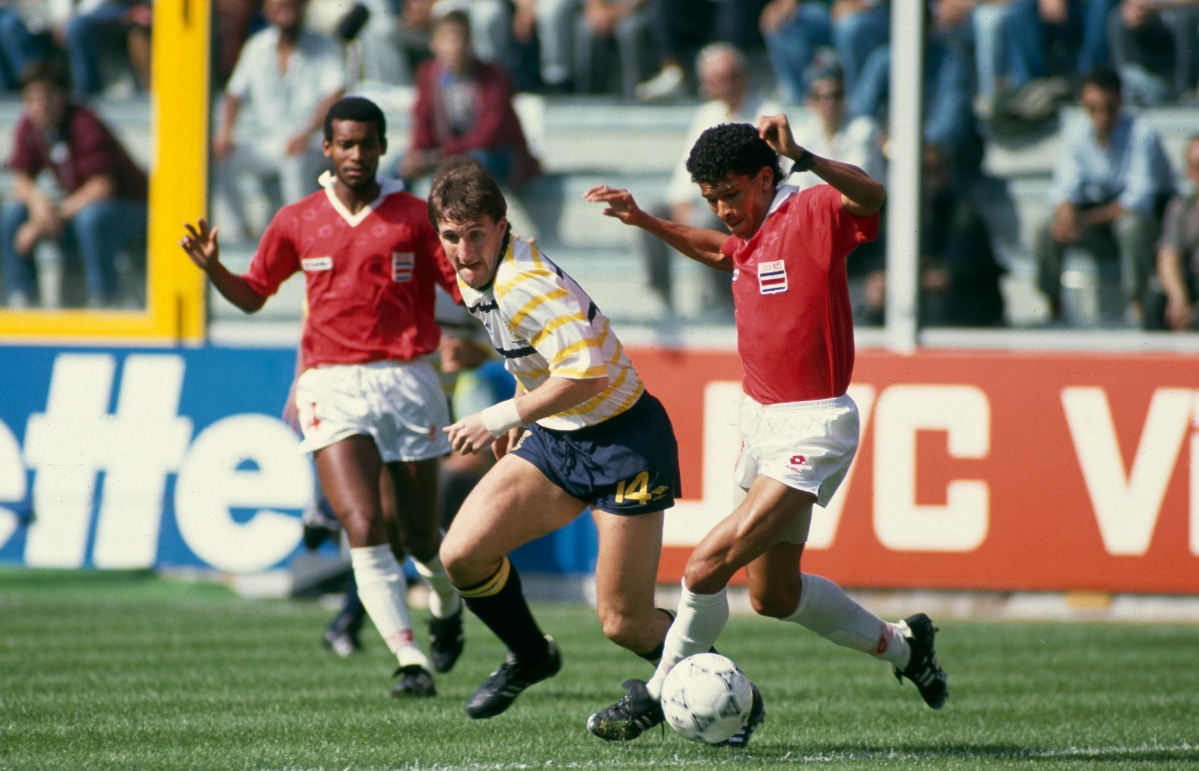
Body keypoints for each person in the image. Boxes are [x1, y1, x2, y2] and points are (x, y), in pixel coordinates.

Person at [581, 117, 949, 744]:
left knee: (704, 567)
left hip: (813, 428)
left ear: (764, 176)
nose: (724, 210)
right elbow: (712, 249)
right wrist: (644, 220)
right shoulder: (746, 236)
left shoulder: (809, 210)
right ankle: (907, 649)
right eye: (712, 199)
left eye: (731, 193)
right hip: (761, 424)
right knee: (774, 596)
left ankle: (655, 693)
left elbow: (872, 196)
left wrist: (802, 156)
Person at [180, 95, 466, 698]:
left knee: (419, 537)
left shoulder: (415, 216)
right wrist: (215, 270)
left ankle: (445, 607)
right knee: (362, 522)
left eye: (367, 143)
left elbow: (466, 292)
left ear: (383, 147)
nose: (356, 154)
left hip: (409, 379)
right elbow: (255, 294)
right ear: (327, 148)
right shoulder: (297, 219)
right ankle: (408, 659)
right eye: (345, 143)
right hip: (330, 384)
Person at [426, 160, 681, 721]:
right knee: (462, 555)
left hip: (623, 442)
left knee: (624, 623)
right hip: (557, 436)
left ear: (501, 226)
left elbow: (586, 374)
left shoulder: (522, 284)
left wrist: (498, 417)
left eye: (475, 234)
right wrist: (524, 409)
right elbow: (533, 352)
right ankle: (531, 654)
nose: (464, 250)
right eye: (451, 236)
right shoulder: (481, 276)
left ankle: (718, 687)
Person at [641, 42, 781, 315]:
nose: (715, 88)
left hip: (744, 205)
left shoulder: (766, 114)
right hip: (705, 200)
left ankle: (720, 302)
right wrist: (680, 200)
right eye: (712, 81)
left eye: (722, 80)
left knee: (711, 218)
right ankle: (662, 298)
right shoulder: (706, 114)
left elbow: (772, 172)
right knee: (650, 213)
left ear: (741, 77)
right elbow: (688, 168)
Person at [1, 59, 148, 309]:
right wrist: (38, 202)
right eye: (31, 100)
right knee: (13, 214)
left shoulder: (84, 122)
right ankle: (23, 300)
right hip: (76, 213)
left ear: (60, 96)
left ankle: (104, 301)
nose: (37, 107)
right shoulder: (32, 124)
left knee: (91, 218)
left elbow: (102, 188)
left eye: (43, 98)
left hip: (132, 211)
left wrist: (50, 217)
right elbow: (21, 179)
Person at [1034, 66, 1173, 325]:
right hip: (1098, 218)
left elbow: (1138, 199)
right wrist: (1066, 214)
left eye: (1109, 108)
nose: (1101, 116)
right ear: (1082, 104)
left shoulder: (1142, 133)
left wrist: (1083, 220)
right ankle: (1054, 306)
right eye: (1093, 108)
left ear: (1120, 101)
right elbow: (1065, 185)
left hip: (1145, 220)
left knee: (1131, 226)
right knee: (1046, 228)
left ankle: (1137, 304)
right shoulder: (1076, 131)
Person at [212, 0, 349, 241]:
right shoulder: (257, 46)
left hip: (314, 142)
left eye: (291, 6)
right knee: (220, 160)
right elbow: (234, 93)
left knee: (294, 159)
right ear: (267, 11)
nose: (285, 13)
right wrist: (225, 134)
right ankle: (242, 231)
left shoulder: (324, 46)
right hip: (271, 140)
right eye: (278, 7)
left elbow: (334, 95)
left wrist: (305, 134)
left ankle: (299, 235)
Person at [401, 10, 541, 193]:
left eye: (461, 39)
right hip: (446, 153)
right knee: (398, 168)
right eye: (448, 40)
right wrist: (418, 153)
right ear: (434, 44)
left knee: (471, 169)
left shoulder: (493, 76)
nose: (456, 46)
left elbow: (489, 135)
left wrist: (440, 155)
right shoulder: (428, 74)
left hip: (491, 153)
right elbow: (422, 119)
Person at [1148, 135, 1199, 331]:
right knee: (1155, 302)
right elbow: (1168, 255)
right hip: (1192, 285)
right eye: (1195, 166)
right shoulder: (1181, 207)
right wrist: (1179, 299)